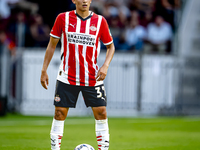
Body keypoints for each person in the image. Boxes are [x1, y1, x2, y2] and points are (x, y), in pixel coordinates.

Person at [40, 0, 115, 150]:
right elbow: (52, 44)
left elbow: (110, 47)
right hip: (67, 76)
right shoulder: (63, 18)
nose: (84, 1)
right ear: (74, 0)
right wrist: (44, 70)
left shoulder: (100, 21)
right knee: (59, 113)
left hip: (92, 77)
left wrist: (105, 66)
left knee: (101, 112)